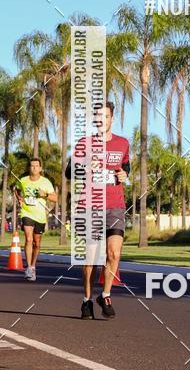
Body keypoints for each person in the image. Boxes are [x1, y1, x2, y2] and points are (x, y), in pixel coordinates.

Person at [66, 101, 130, 320]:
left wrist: (124, 175)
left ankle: (105, 294)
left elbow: (125, 166)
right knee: (91, 259)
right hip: (90, 206)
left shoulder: (123, 143)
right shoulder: (85, 143)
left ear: (112, 118)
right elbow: (69, 172)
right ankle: (87, 301)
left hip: (115, 206)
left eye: (105, 116)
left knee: (114, 253)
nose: (101, 120)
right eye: (98, 117)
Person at [14, 158, 57, 282]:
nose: (34, 168)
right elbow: (16, 189)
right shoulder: (23, 181)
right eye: (32, 166)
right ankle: (29, 267)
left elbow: (54, 198)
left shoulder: (45, 182)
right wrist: (19, 199)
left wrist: (45, 195)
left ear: (40, 168)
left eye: (36, 166)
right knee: (28, 238)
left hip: (40, 216)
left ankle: (33, 265)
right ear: (29, 168)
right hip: (27, 213)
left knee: (36, 243)